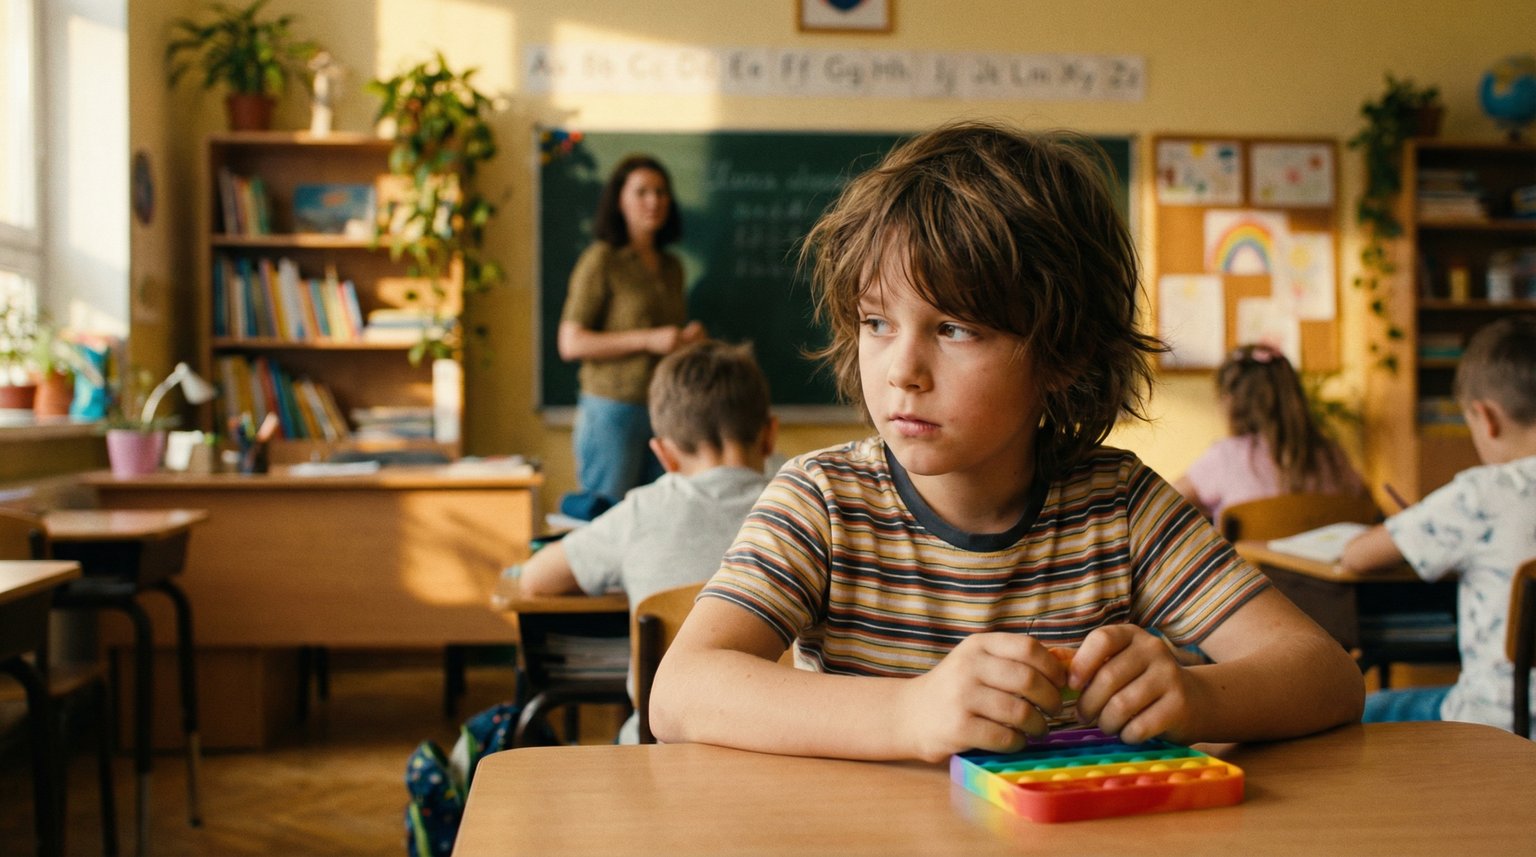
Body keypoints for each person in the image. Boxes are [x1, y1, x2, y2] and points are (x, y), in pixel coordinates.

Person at [649, 120, 1363, 762]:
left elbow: (1325, 673)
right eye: (877, 322)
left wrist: (1203, 697)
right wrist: (908, 711)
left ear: (1063, 353)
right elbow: (679, 691)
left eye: (955, 327)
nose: (902, 370)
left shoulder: (1119, 507)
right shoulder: (823, 501)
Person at [495, 339, 777, 743]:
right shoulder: (800, 507)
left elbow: (536, 579)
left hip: (658, 752)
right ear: (769, 435)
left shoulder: (643, 511)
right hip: (779, 747)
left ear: (664, 455)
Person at [1340, 316, 1536, 731]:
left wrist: (1418, 519)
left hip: (1499, 724)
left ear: (1487, 418)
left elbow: (1358, 556)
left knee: (1354, 714)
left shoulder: (1481, 495)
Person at [558, 154, 707, 519]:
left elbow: (665, 338)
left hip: (664, 412)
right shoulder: (602, 260)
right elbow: (570, 341)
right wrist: (647, 339)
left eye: (660, 192)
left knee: (657, 518)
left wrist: (688, 343)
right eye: (641, 192)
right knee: (605, 519)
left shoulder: (672, 267)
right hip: (612, 411)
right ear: (620, 200)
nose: (653, 201)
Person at [1173, 343, 1366, 523]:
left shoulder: (1226, 457)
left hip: (1245, 560)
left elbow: (1163, 505)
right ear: (1295, 398)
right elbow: (1366, 508)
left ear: (1229, 401)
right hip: (1321, 560)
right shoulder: (1332, 457)